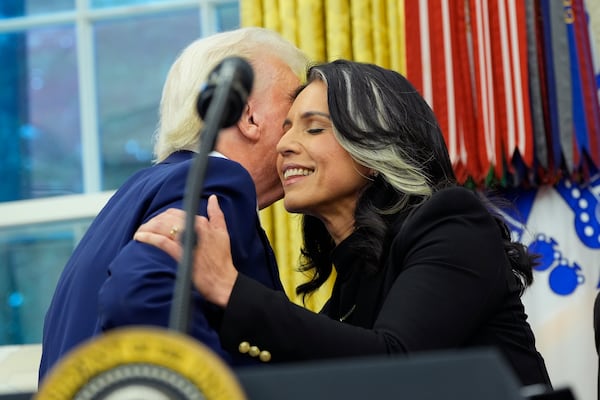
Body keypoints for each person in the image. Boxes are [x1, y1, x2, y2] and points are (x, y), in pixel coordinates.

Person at [134, 59, 553, 388]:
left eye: (314, 128)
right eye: (285, 129)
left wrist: (229, 288)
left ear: (375, 146)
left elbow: (397, 364)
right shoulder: (347, 290)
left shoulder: (452, 221)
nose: (283, 145)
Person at [38, 27, 308, 381]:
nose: (301, 121)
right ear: (249, 117)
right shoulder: (217, 182)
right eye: (294, 103)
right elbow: (136, 297)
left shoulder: (140, 191)